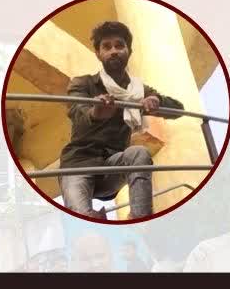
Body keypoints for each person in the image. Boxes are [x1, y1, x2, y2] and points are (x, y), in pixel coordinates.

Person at [59, 21, 184, 220]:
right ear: (98, 54)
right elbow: (77, 112)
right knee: (82, 218)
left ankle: (139, 219)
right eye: (107, 47)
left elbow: (178, 110)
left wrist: (156, 101)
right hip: (78, 163)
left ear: (129, 51)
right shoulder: (84, 83)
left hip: (113, 166)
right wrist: (96, 112)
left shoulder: (138, 89)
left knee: (139, 153)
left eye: (119, 45)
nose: (114, 51)